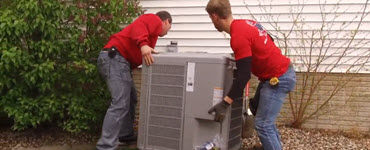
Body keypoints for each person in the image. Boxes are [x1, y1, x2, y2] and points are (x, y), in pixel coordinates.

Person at [205, 0, 296, 149]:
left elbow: (243, 76)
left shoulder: (238, 37)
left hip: (279, 77)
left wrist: (225, 103)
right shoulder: (247, 23)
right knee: (266, 121)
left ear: (215, 17)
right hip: (277, 74)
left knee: (263, 124)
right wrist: (245, 53)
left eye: (210, 18)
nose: (212, 22)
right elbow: (269, 40)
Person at [96, 11, 172, 150]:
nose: (167, 32)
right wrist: (143, 45)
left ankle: (125, 134)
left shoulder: (152, 35)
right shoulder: (154, 19)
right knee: (120, 103)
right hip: (115, 59)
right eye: (169, 28)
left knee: (130, 98)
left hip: (121, 63)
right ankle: (105, 146)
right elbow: (140, 24)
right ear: (166, 21)